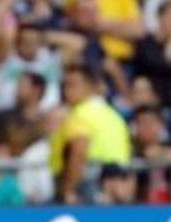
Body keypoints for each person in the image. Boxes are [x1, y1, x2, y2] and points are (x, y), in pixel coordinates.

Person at [48, 64, 134, 205]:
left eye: (72, 85)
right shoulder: (114, 115)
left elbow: (79, 151)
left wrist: (68, 190)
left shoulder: (79, 114)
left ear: (90, 87)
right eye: (64, 85)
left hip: (88, 185)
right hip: (117, 187)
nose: (66, 91)